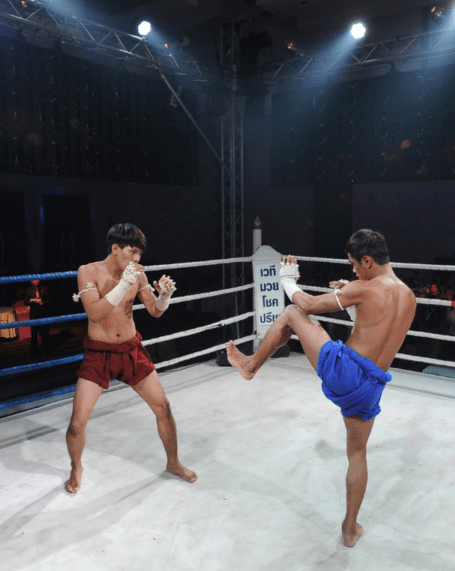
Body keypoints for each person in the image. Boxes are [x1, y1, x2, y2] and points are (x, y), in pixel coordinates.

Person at [224, 229, 416, 548]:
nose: (353, 271)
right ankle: (350, 528)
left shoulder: (365, 287)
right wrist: (352, 299)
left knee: (291, 313)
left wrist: (287, 280)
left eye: (355, 264)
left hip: (347, 372)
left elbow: (309, 304)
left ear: (368, 261)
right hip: (373, 384)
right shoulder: (408, 296)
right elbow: (377, 328)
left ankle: (249, 366)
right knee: (357, 453)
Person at [66, 223, 196, 494]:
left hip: (130, 350)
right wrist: (123, 282)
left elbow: (154, 311)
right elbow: (95, 313)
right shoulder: (88, 271)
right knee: (77, 423)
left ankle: (173, 462)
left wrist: (164, 296)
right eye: (132, 252)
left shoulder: (136, 275)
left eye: (139, 254)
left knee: (164, 408)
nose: (137, 259)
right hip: (99, 352)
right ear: (116, 249)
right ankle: (76, 467)